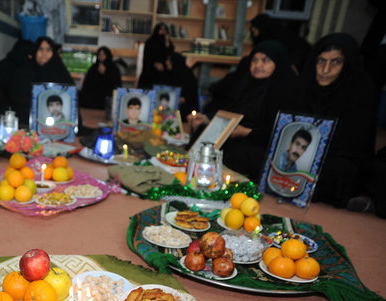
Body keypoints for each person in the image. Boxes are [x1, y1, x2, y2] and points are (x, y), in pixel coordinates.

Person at [291, 33, 378, 210]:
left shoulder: (362, 92)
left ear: (347, 65)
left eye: (335, 62)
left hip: (336, 157)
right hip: (302, 152)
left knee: (340, 171)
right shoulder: (304, 86)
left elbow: (356, 146)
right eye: (321, 61)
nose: (325, 69)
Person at [189, 40, 297, 181]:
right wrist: (208, 119)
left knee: (238, 154)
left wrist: (246, 132)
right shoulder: (246, 84)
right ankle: (196, 175)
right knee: (202, 134)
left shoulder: (285, 91)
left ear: (278, 64)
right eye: (254, 60)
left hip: (261, 144)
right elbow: (230, 111)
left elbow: (280, 131)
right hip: (235, 135)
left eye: (265, 61)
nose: (258, 65)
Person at [7, 36, 74, 129]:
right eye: (40, 49)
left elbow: (70, 99)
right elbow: (16, 97)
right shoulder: (24, 70)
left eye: (48, 50)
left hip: (56, 119)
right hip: (28, 117)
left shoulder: (60, 72)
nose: (44, 53)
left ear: (53, 53)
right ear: (35, 52)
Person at [137, 23, 199, 117]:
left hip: (167, 73)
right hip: (151, 74)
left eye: (165, 30)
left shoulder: (183, 73)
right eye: (160, 29)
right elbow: (148, 60)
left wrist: (167, 44)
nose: (163, 32)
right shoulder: (150, 42)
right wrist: (155, 64)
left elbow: (171, 56)